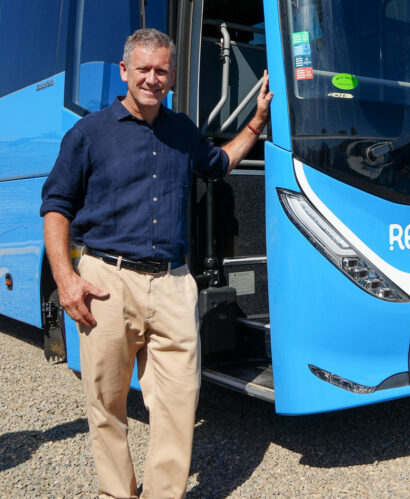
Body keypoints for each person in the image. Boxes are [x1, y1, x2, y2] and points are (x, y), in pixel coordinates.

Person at [40, 28, 272, 498]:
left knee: (178, 402)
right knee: (106, 402)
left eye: (161, 71)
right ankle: (116, 492)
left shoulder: (182, 129)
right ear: (124, 71)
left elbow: (220, 163)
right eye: (143, 69)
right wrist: (66, 278)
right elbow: (55, 207)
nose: (152, 79)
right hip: (107, 281)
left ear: (170, 76)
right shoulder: (87, 134)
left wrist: (255, 124)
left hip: (172, 283)